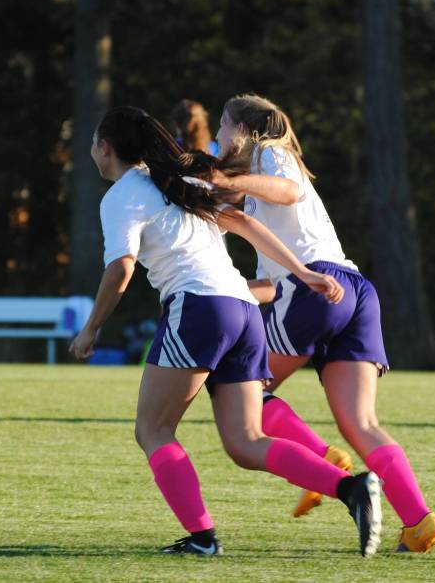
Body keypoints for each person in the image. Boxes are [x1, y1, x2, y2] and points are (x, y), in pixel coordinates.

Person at [68, 106, 384, 557]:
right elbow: (246, 223)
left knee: (152, 430)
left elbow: (121, 268)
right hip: (243, 310)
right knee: (245, 442)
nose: (92, 154)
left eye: (92, 146)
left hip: (199, 309)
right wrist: (303, 273)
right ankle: (351, 488)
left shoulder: (121, 195)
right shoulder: (182, 182)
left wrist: (91, 329)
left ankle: (202, 538)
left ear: (105, 148)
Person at [211, 93, 435, 553]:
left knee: (233, 385)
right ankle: (419, 523)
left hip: (318, 291)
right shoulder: (259, 186)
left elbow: (289, 191)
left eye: (222, 125)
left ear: (243, 130)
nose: (218, 136)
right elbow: (274, 281)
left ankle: (324, 461)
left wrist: (231, 177)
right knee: (362, 422)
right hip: (352, 291)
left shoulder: (270, 153)